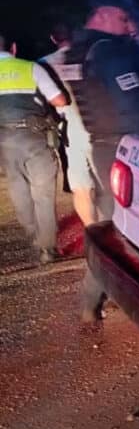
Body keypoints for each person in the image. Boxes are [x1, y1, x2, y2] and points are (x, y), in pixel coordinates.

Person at [64, 0, 139, 321]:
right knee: (128, 228)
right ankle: (99, 301)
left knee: (118, 225)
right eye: (124, 19)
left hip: (105, 145)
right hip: (129, 147)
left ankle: (94, 301)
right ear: (103, 14)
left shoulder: (78, 52)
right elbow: (135, 106)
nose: (128, 26)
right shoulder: (110, 53)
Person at [0, 31, 67, 264]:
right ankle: (47, 248)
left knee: (18, 188)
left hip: (4, 140)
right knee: (43, 192)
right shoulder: (30, 68)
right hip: (35, 136)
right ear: (14, 47)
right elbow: (60, 101)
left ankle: (33, 236)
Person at [40, 23, 97, 226]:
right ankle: (113, 226)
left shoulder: (44, 64)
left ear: (53, 39)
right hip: (99, 124)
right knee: (106, 178)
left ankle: (92, 228)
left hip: (71, 129)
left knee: (80, 185)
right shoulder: (91, 56)